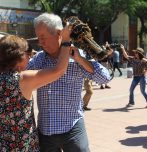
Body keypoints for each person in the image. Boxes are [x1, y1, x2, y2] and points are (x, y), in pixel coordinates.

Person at [0, 33, 71, 151]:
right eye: (28, 55)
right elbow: (60, 70)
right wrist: (66, 41)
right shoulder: (23, 79)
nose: (29, 58)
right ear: (19, 57)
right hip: (22, 146)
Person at [27, 13, 110, 152]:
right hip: (45, 131)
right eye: (38, 38)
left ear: (60, 34)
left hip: (72, 128)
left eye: (43, 38)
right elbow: (20, 76)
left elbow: (105, 78)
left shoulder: (76, 55)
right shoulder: (39, 59)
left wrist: (80, 60)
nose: (40, 43)